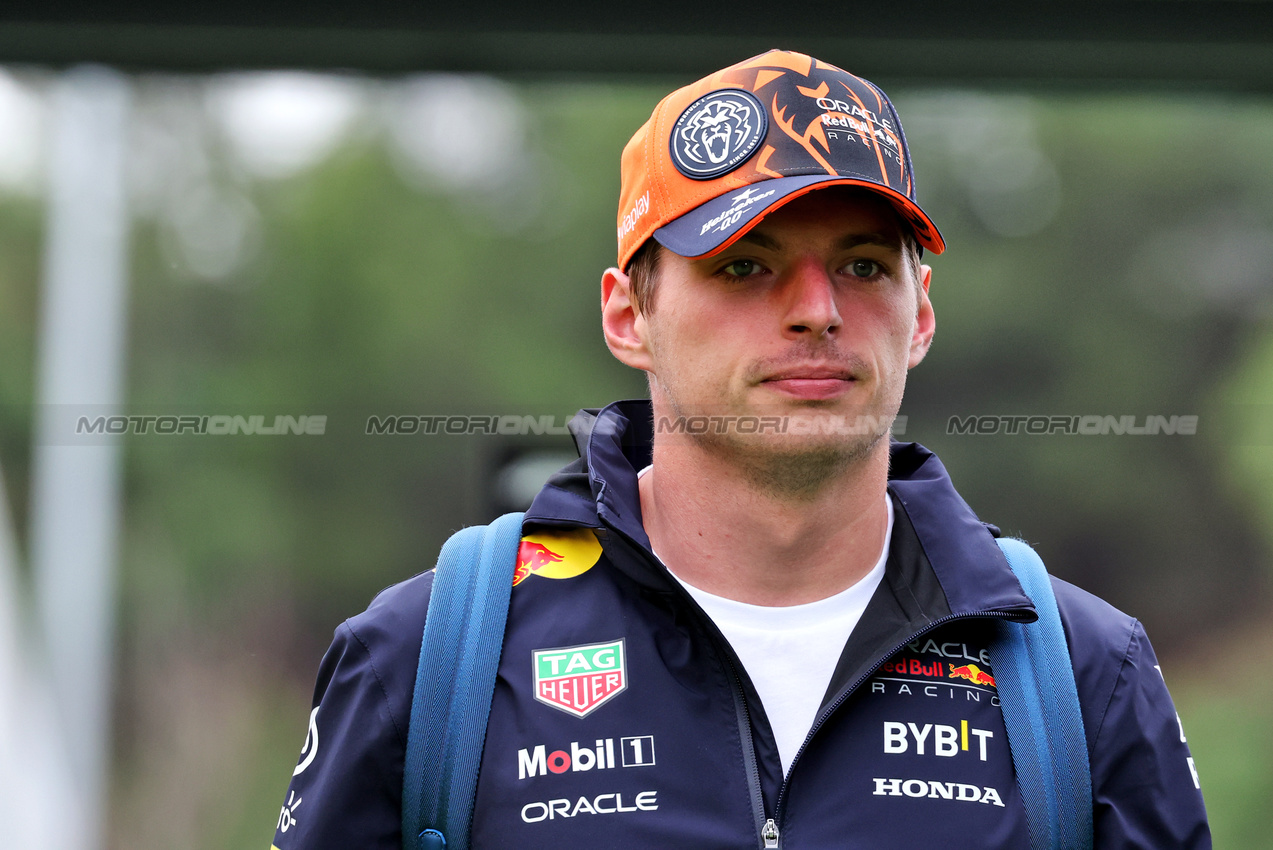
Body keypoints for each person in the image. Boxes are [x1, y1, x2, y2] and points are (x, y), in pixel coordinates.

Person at [270, 49, 1210, 849]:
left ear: (919, 316)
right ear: (627, 315)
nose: (816, 310)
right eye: (745, 265)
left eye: (863, 265)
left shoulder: (1082, 672)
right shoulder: (428, 657)